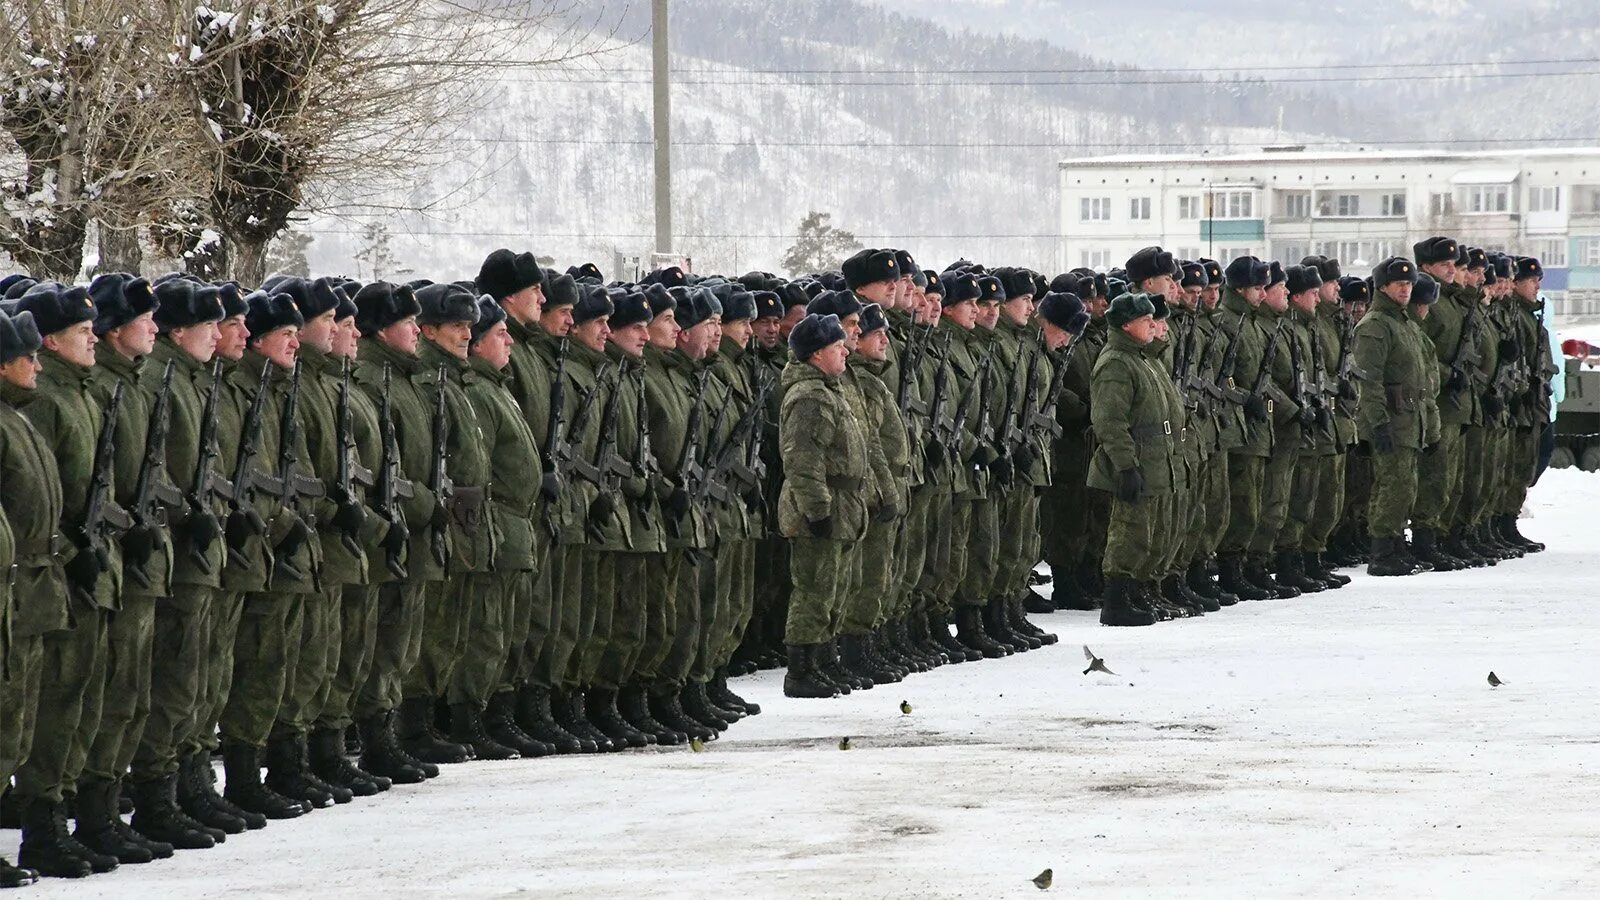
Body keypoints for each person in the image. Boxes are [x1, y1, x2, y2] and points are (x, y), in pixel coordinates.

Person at [0, 308, 67, 884]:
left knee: (18, 722)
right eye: (28, 356)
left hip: (32, 588)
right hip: (10, 590)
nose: (37, 365)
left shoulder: (17, 420)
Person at [778, 313, 870, 698]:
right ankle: (801, 670)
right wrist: (818, 510)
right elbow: (802, 460)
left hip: (843, 503)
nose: (847, 351)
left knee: (835, 588)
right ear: (817, 354)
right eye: (837, 347)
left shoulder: (830, 389)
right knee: (814, 590)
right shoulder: (810, 397)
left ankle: (824, 661)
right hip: (823, 503)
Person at [1087, 292, 1168, 627]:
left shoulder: (1141, 357)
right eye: (1146, 320)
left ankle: (1134, 592)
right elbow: (1110, 421)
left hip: (1151, 459)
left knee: (1145, 532)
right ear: (1125, 324)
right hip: (1134, 460)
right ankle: (1116, 601)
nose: (1153, 325)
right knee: (1128, 530)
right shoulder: (1117, 363)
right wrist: (1125, 465)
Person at [1353, 257, 1437, 576]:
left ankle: (1396, 544)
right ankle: (1382, 551)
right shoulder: (1375, 325)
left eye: (1409, 284)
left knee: (1405, 485)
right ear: (1383, 287)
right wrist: (1378, 423)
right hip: (1390, 419)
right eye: (1399, 284)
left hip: (1409, 419)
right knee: (1391, 484)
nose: (1405, 289)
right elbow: (1368, 379)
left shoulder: (1403, 324)